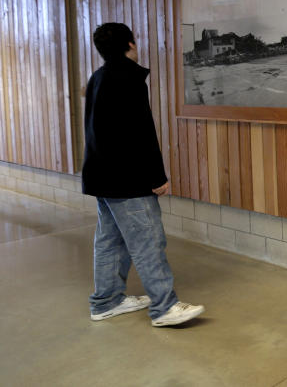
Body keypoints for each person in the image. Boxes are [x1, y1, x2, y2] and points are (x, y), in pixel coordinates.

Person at [82, 23, 205, 327]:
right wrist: (157, 177)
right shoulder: (130, 78)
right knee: (149, 240)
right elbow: (142, 133)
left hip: (101, 176)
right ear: (130, 44)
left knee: (111, 240)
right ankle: (165, 307)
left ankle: (107, 301)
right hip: (128, 179)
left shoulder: (97, 78)